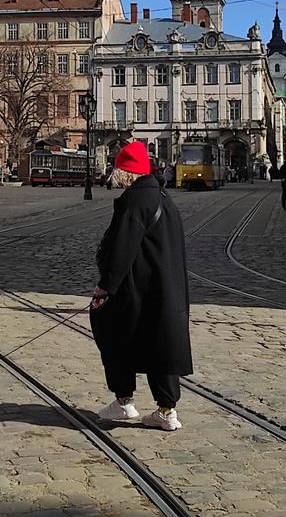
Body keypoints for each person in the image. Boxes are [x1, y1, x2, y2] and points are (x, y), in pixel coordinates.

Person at [91, 142, 192, 432]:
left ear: (126, 172)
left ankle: (123, 401)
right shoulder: (162, 196)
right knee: (161, 345)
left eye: (116, 169)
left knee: (113, 333)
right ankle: (167, 409)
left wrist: (105, 287)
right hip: (166, 286)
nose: (114, 175)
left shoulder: (134, 201)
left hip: (136, 288)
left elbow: (121, 248)